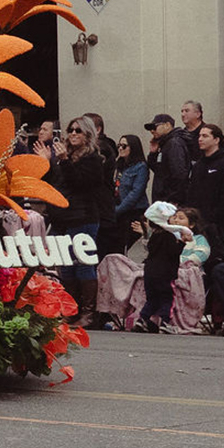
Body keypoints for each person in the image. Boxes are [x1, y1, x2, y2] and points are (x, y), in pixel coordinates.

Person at [48, 118, 111, 326]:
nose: (73, 134)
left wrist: (65, 161)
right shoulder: (62, 157)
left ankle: (88, 312)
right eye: (71, 130)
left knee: (83, 263)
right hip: (62, 218)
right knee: (66, 266)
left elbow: (79, 183)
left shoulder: (93, 159)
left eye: (79, 131)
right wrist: (48, 162)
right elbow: (55, 184)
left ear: (88, 135)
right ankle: (70, 309)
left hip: (83, 217)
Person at [135, 202, 208, 332]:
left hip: (150, 272)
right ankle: (165, 322)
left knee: (151, 299)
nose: (176, 220)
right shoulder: (170, 236)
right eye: (174, 217)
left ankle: (142, 319)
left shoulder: (156, 235)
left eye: (180, 218)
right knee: (167, 299)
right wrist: (181, 243)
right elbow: (173, 252)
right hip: (165, 274)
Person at [183, 123, 224, 264]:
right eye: (199, 135)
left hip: (217, 225)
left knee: (217, 260)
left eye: (205, 136)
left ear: (216, 140)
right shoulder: (199, 165)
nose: (200, 139)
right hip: (197, 224)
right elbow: (192, 193)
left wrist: (211, 220)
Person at [104, 133, 148, 257]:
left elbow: (135, 193)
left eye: (124, 146)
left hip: (134, 212)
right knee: (114, 245)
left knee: (124, 244)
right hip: (118, 210)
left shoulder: (141, 167)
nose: (120, 149)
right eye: (119, 145)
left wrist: (117, 210)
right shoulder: (119, 164)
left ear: (133, 147)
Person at [146, 109, 197, 208]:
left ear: (167, 125)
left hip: (169, 203)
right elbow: (159, 171)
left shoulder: (174, 143)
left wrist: (174, 200)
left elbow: (179, 174)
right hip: (164, 201)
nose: (152, 131)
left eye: (154, 127)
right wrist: (153, 153)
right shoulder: (165, 143)